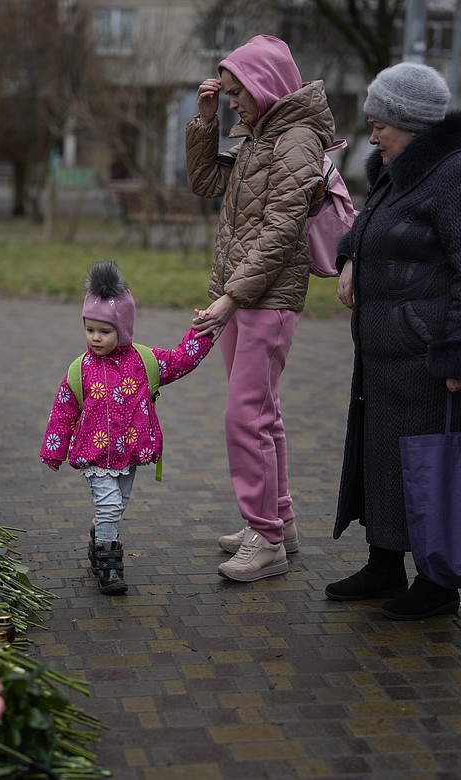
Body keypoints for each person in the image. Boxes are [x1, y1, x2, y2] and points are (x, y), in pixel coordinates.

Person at [325, 62, 461, 620]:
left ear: (412, 123)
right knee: (385, 461)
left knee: (435, 468)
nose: (372, 134)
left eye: (381, 124)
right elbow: (373, 224)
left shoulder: (460, 178)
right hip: (386, 358)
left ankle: (439, 583)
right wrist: (352, 254)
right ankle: (385, 564)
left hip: (432, 360)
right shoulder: (397, 172)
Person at [187, 35, 336, 581]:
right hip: (244, 293)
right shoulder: (259, 135)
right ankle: (280, 521)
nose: (229, 102)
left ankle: (267, 540)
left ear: (264, 85)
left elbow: (280, 230)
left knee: (244, 416)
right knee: (262, 412)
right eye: (224, 93)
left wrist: (232, 296)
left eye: (234, 92)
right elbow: (206, 183)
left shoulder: (295, 140)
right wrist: (204, 124)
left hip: (265, 298)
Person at [41, 261, 214, 595]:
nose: (95, 338)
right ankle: (108, 565)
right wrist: (54, 450)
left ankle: (98, 537)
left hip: (130, 453)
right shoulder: (80, 369)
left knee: (116, 506)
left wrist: (200, 332)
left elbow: (181, 360)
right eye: (89, 329)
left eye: (104, 331)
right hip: (94, 454)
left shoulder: (143, 361)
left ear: (123, 329)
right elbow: (63, 410)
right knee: (108, 506)